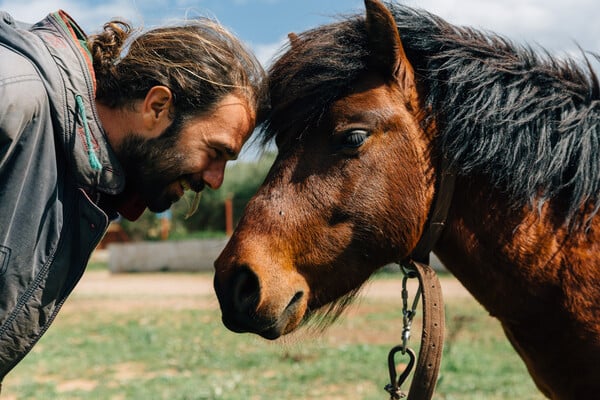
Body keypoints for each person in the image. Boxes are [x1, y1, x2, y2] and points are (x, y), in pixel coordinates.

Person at [0, 9, 266, 382]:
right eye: (216, 152)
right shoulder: (12, 97)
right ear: (157, 107)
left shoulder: (88, 180)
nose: (216, 179)